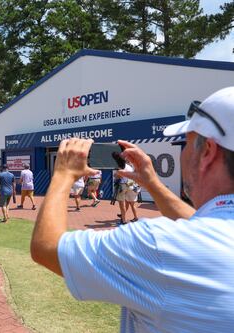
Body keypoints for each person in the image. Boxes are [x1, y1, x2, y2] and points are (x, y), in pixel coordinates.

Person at [31, 86, 234, 332]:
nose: (183, 153)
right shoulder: (213, 236)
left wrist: (63, 174)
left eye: (186, 144)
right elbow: (202, 226)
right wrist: (151, 182)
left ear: (208, 153)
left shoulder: (159, 244)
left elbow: (47, 248)